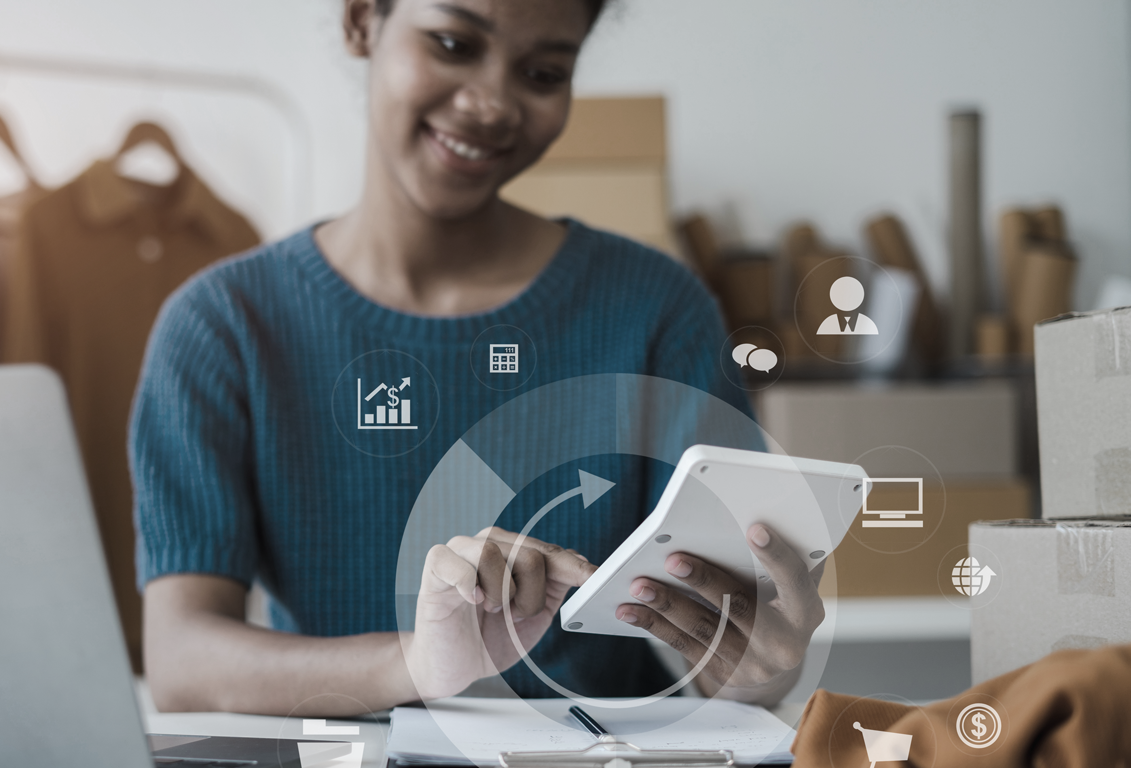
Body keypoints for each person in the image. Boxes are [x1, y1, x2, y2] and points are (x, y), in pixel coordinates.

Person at [131, 0, 827, 716]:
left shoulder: (656, 308)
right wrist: (420, 661)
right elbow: (182, 660)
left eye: (543, 71)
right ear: (360, 21)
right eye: (453, 43)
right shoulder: (221, 327)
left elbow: (735, 664)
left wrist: (764, 661)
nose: (491, 104)